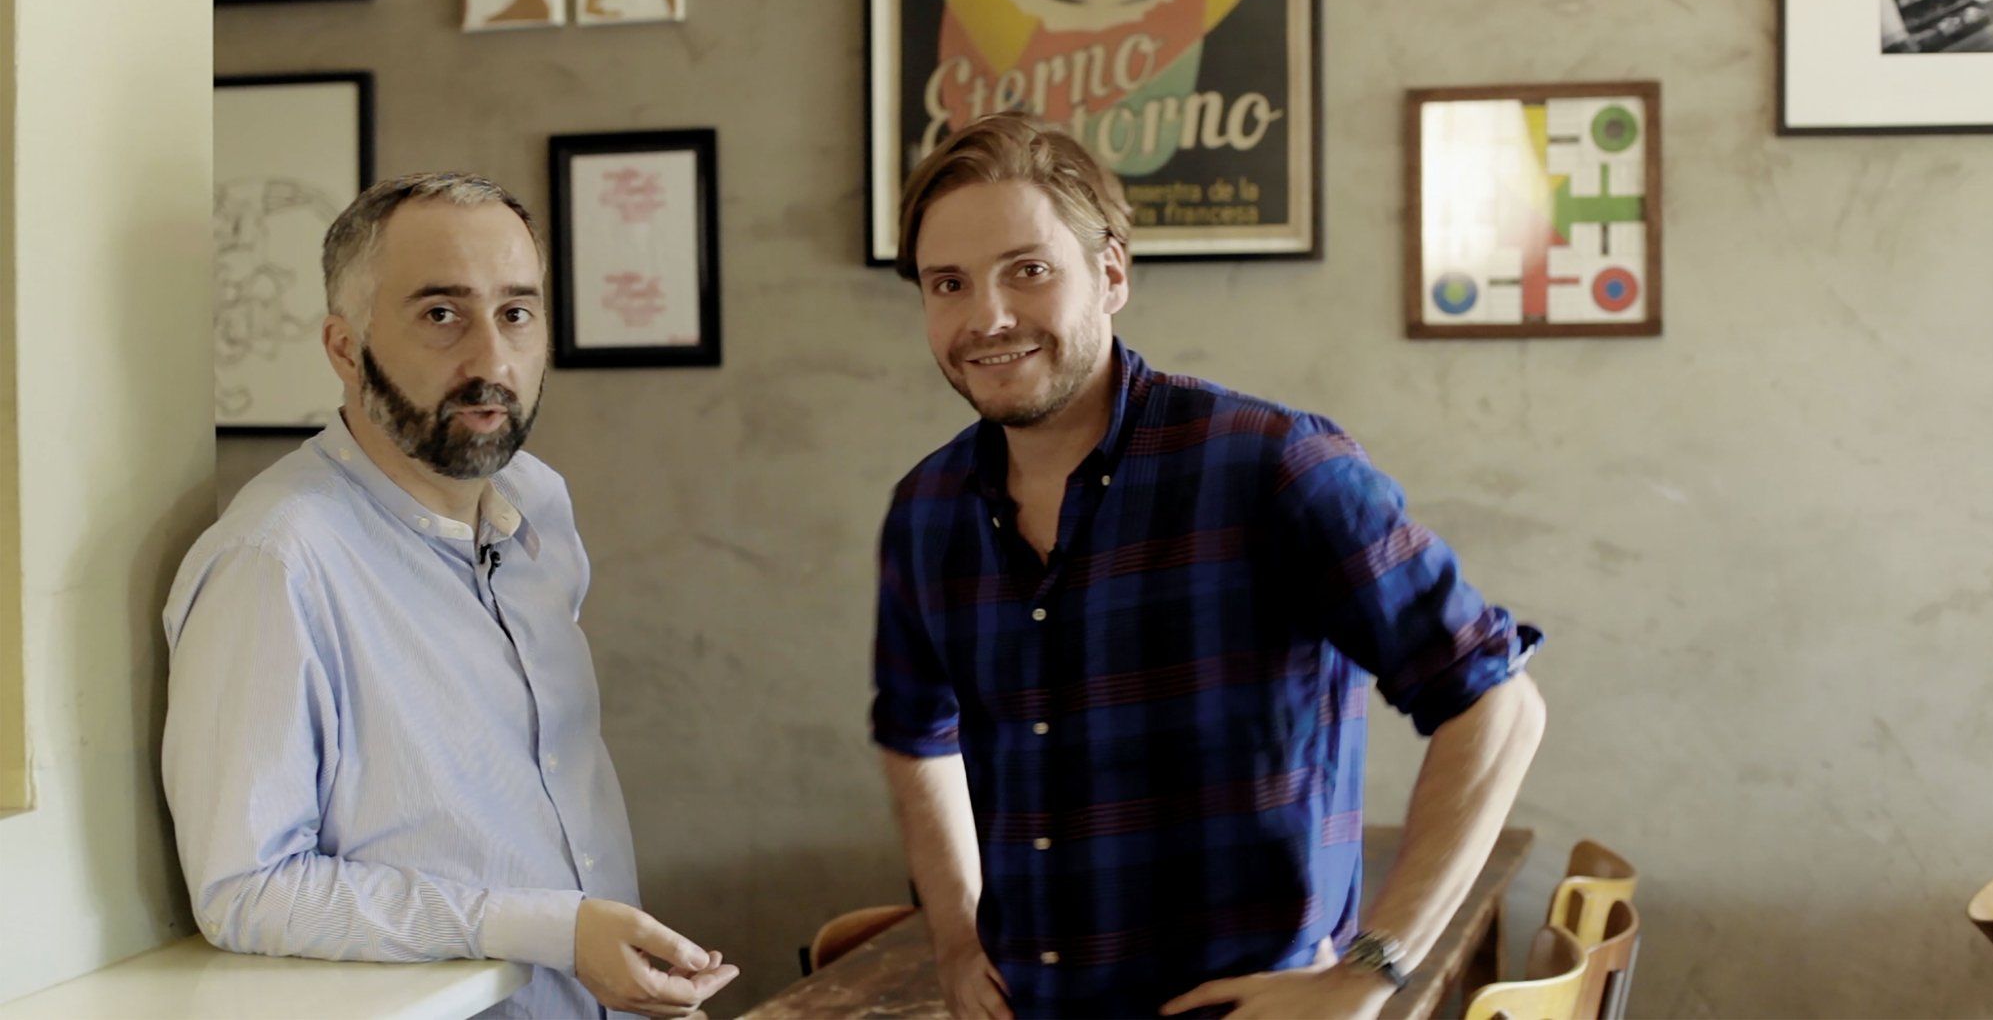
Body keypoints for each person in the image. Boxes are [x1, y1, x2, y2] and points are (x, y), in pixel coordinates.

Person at [871, 115, 1547, 1019]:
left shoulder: (1275, 466)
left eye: (1027, 270)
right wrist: (956, 936)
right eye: (947, 284)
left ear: (1111, 273)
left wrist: (1373, 969)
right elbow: (918, 734)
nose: (986, 317)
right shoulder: (926, 509)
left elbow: (1497, 702)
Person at [162, 173, 737, 1019]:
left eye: (516, 312)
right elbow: (246, 888)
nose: (492, 361)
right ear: (344, 347)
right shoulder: (276, 559)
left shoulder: (538, 506)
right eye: (441, 314)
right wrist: (552, 928)